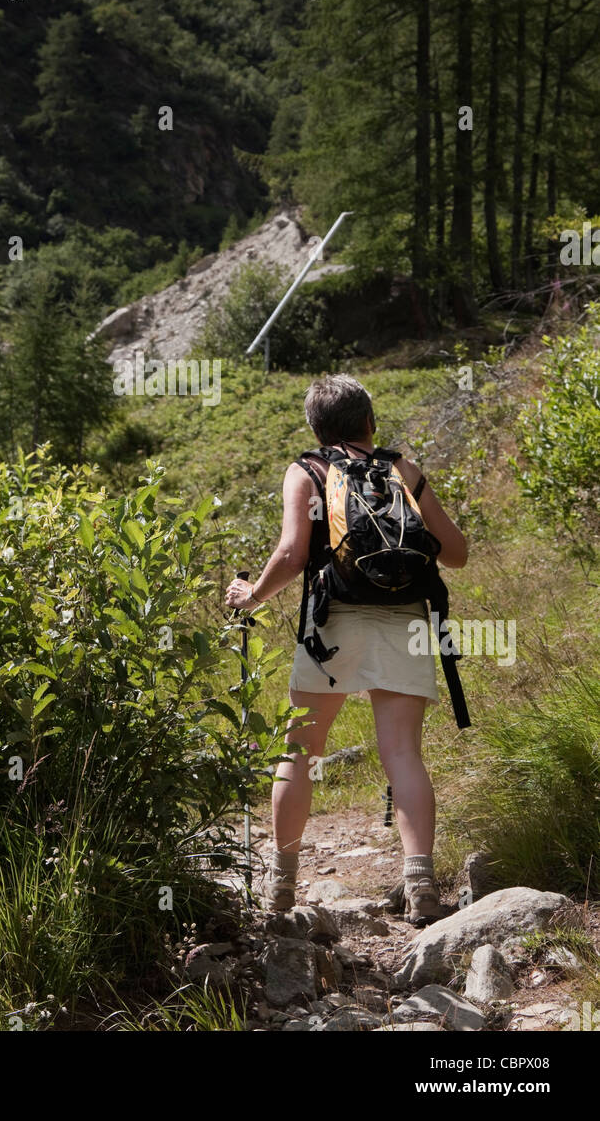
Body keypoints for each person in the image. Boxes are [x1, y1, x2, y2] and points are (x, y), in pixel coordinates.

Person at [224, 374, 468, 926]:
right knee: (402, 753)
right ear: (370, 421)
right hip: (405, 621)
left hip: (330, 625)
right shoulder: (401, 469)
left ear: (315, 426)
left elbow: (291, 554)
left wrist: (250, 596)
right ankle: (421, 884)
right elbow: (456, 554)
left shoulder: (306, 470)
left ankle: (279, 889)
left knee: (299, 751)